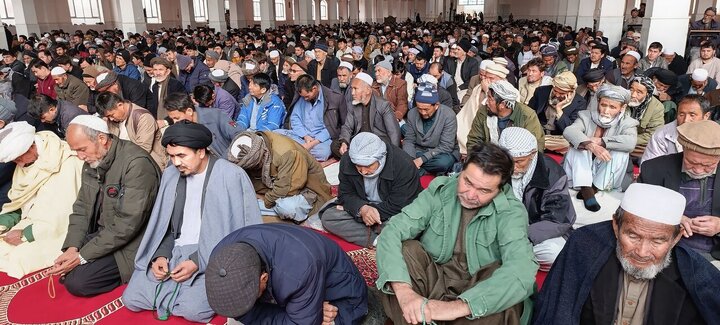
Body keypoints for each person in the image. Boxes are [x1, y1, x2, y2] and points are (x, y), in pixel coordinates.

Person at [376, 142, 538, 324]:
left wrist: (457, 307)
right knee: (407, 251)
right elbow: (393, 231)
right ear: (461, 169)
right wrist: (405, 292)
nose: (470, 195)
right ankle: (417, 313)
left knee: (503, 293)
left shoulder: (511, 212)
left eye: (484, 190)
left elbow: (522, 269)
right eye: (467, 182)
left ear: (499, 189)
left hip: (478, 292)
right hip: (436, 281)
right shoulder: (440, 191)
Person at [122, 121, 262, 323]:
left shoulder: (230, 175)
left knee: (193, 310)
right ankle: (174, 293)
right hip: (174, 250)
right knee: (132, 298)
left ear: (201, 152)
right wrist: (161, 255)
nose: (176, 162)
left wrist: (197, 262)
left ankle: (180, 294)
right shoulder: (171, 174)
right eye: (171, 156)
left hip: (216, 253)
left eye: (181, 155)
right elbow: (165, 226)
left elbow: (243, 229)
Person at [533, 183, 720, 325]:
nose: (642, 252)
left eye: (658, 241)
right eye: (633, 236)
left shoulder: (695, 273)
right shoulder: (584, 246)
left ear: (676, 238)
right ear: (616, 225)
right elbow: (556, 312)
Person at [48, 115, 161, 297]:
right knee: (63, 258)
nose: (80, 156)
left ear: (102, 139)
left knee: (78, 283)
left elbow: (127, 225)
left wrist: (83, 256)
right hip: (106, 233)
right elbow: (82, 208)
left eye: (82, 149)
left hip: (134, 241)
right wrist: (72, 248)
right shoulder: (93, 160)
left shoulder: (136, 163)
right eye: (75, 150)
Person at [205, 224, 368, 324]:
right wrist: (294, 314)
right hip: (296, 292)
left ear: (264, 278)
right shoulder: (221, 257)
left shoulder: (299, 269)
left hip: (339, 294)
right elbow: (242, 314)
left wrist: (311, 314)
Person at [0, 122, 84, 279]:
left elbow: (62, 215)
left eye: (18, 158)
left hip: (57, 229)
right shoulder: (26, 162)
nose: (19, 164)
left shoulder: (67, 162)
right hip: (32, 221)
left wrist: (26, 234)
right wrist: (5, 221)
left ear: (32, 147)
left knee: (20, 258)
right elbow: (20, 201)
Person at [639, 120, 720, 265]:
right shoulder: (654, 169)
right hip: (663, 247)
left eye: (708, 165)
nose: (698, 170)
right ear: (683, 148)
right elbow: (634, 209)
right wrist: (672, 218)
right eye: (692, 162)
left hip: (713, 252)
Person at [320, 132, 421, 247]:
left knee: (410, 223)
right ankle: (378, 240)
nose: (363, 171)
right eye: (358, 166)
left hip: (393, 212)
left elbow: (399, 205)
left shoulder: (403, 164)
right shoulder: (348, 160)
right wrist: (362, 209)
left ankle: (382, 233)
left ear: (381, 157)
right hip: (365, 207)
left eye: (368, 166)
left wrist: (367, 213)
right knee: (329, 217)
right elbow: (345, 193)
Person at [498, 127, 575, 272]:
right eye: (509, 161)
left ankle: (509, 257)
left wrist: (521, 235)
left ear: (532, 154)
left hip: (533, 233)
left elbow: (558, 220)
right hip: (502, 230)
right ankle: (513, 257)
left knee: (555, 253)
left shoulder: (552, 172)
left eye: (519, 161)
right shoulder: (497, 166)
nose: (513, 167)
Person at [227, 131, 332, 223]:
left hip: (306, 191)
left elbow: (288, 189)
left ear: (260, 156)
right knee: (238, 199)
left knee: (287, 208)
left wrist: (263, 198)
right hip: (274, 189)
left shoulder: (288, 153)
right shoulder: (257, 143)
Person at [563, 84, 638, 212]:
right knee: (579, 145)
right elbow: (569, 131)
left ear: (622, 108)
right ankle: (587, 189)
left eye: (612, 107)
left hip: (607, 174)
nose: (606, 111)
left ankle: (593, 188)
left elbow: (630, 142)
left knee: (621, 152)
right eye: (603, 105)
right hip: (582, 168)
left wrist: (601, 142)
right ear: (598, 102)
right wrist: (590, 145)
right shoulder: (585, 116)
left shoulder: (628, 123)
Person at [276, 74, 345, 161]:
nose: (304, 99)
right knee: (275, 133)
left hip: (320, 141)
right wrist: (305, 136)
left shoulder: (333, 98)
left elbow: (333, 127)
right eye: (303, 97)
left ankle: (294, 150)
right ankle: (299, 150)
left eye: (307, 96)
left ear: (314, 89)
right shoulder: (301, 97)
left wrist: (312, 143)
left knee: (323, 153)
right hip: (301, 136)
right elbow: (295, 119)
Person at [467, 80, 546, 152]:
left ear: (502, 104)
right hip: (488, 160)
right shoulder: (483, 111)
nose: (486, 102)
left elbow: (535, 146)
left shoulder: (527, 116)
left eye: (490, 99)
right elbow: (474, 141)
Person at [95, 91, 167, 169]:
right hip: (126, 161)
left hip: (149, 162)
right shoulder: (113, 120)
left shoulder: (143, 117)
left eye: (111, 115)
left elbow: (142, 150)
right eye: (108, 117)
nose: (111, 119)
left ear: (120, 105)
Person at [336, 72, 401, 156]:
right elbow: (347, 127)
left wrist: (394, 154)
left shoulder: (383, 105)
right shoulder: (353, 104)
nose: (352, 93)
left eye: (356, 89)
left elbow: (394, 132)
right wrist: (344, 143)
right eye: (352, 89)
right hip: (359, 141)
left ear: (368, 90)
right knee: (335, 145)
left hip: (377, 142)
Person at [403, 82, 459, 175]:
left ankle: (420, 170)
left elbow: (446, 146)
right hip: (419, 150)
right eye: (419, 109)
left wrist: (422, 159)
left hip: (441, 153)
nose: (423, 113)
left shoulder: (448, 115)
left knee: (444, 163)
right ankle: (424, 169)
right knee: (402, 157)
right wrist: (411, 160)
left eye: (426, 109)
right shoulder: (412, 113)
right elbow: (409, 140)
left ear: (436, 105)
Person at [641, 95, 713, 164]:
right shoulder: (662, 134)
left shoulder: (714, 136)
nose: (685, 120)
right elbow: (649, 167)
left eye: (692, 115)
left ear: (706, 116)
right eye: (681, 114)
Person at [529, 71, 587, 152]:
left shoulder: (579, 103)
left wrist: (559, 109)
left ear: (571, 91)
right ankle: (539, 143)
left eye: (562, 93)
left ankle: (538, 144)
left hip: (558, 138)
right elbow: (529, 113)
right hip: (538, 132)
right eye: (555, 91)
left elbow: (571, 130)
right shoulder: (541, 91)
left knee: (567, 143)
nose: (557, 95)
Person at [627, 77, 665, 159]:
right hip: (620, 137)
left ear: (647, 95)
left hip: (638, 142)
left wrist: (629, 140)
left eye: (639, 92)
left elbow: (652, 133)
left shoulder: (657, 107)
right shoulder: (623, 99)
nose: (633, 95)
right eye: (631, 89)